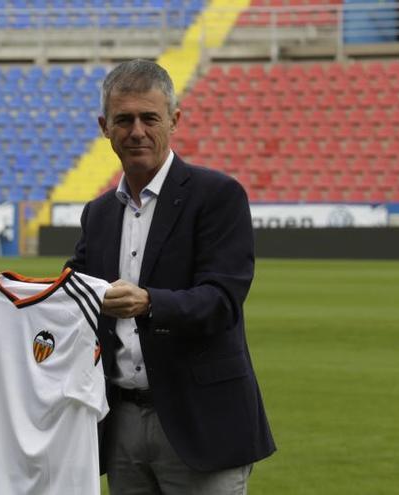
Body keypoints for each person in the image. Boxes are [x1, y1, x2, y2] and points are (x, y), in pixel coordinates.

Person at [66, 59, 275, 494]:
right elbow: (70, 293)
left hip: (201, 420)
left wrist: (149, 302)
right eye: (124, 119)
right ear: (104, 127)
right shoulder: (99, 213)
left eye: (149, 118)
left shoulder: (217, 196)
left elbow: (221, 300)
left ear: (174, 120)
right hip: (119, 421)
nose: (136, 131)